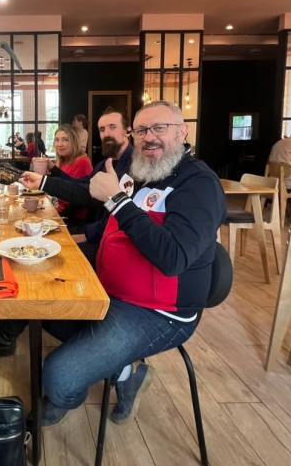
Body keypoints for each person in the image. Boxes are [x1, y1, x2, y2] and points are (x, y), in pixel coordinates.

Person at [38, 101, 226, 426]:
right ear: (133, 135)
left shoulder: (199, 184)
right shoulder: (141, 170)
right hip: (110, 289)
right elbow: (89, 192)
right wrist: (40, 183)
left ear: (182, 131)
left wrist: (117, 201)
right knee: (42, 306)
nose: (149, 137)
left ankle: (86, 381)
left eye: (159, 128)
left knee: (57, 377)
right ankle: (124, 370)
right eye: (141, 130)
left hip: (159, 312)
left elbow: (173, 258)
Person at [0, 108, 133, 358]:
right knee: (29, 251)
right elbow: (81, 187)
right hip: (95, 231)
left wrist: (85, 233)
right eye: (102, 129)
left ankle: (13, 330)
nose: (106, 133)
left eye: (112, 127)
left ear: (128, 130)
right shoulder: (106, 164)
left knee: (36, 260)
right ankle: (10, 326)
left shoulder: (132, 167)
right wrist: (44, 180)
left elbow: (107, 211)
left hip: (106, 242)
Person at [50, 124, 93, 221]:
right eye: (57, 140)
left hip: (75, 219)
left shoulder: (82, 162)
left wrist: (59, 217)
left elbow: (80, 200)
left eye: (65, 140)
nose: (59, 144)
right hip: (61, 210)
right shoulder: (63, 160)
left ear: (74, 142)